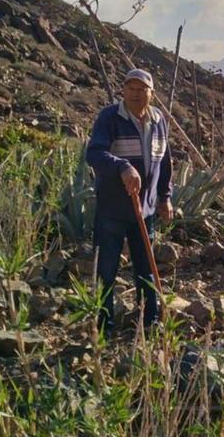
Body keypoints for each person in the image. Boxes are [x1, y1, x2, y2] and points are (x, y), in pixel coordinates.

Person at [86, 68, 173, 334]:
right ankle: (104, 326)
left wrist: (165, 197)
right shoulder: (110, 118)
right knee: (107, 269)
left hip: (145, 209)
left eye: (142, 89)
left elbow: (165, 163)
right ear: (123, 91)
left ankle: (150, 319)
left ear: (151, 93)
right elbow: (94, 153)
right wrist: (121, 166)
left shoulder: (158, 120)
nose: (136, 94)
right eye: (131, 88)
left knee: (146, 266)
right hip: (113, 208)